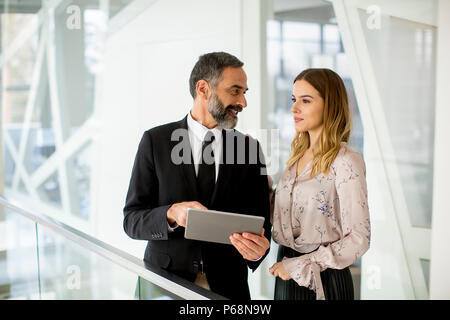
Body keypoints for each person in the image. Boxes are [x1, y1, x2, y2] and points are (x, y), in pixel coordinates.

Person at [123, 52, 271, 300]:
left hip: (228, 287)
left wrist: (257, 252)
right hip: (164, 285)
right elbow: (132, 220)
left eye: (245, 92)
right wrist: (171, 214)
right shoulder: (155, 141)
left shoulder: (249, 149)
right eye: (235, 91)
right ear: (203, 88)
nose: (243, 102)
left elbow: (262, 223)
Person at [268, 68, 371, 300]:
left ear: (330, 105)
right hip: (285, 269)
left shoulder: (346, 162)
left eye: (305, 100)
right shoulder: (296, 157)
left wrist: (301, 264)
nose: (294, 108)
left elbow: (359, 238)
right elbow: (288, 218)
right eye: (294, 99)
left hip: (324, 277)